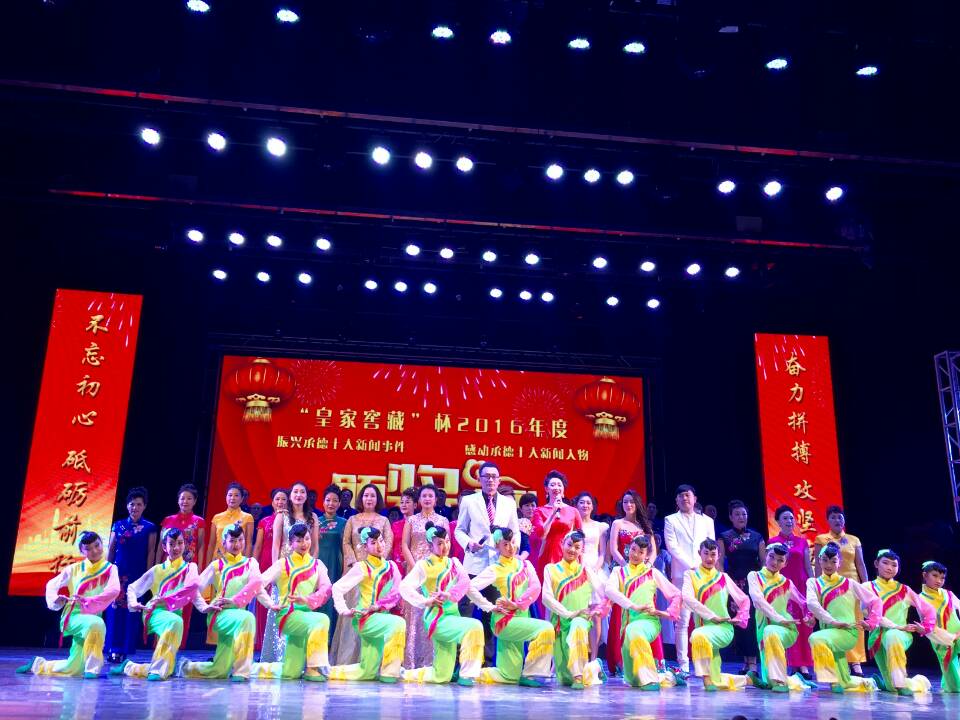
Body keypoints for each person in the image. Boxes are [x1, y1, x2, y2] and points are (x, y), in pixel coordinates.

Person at [16, 531, 120, 678]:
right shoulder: (74, 568)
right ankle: (92, 669)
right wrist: (55, 599)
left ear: (102, 544)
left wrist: (90, 600)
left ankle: (38, 664)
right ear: (82, 551)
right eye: (88, 549)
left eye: (97, 545)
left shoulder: (110, 568)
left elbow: (114, 590)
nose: (94, 551)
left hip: (91, 617)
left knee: (73, 669)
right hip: (73, 615)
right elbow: (52, 585)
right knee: (97, 624)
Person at [466, 527, 554, 687]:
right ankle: (531, 674)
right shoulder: (495, 569)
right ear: (497, 546)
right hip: (504, 621)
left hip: (521, 617)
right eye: (505, 544)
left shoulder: (525, 565)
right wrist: (489, 607)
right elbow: (469, 587)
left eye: (512, 542)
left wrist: (517, 604)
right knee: (546, 629)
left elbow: (535, 587)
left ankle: (471, 672)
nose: (511, 547)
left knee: (509, 676)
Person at [399, 522, 483, 686]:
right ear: (430, 545)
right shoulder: (424, 565)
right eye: (440, 543)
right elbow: (404, 587)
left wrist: (488, 606)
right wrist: (425, 601)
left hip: (453, 617)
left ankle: (406, 673)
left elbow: (466, 584)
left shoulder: (454, 563)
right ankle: (467, 675)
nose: (445, 546)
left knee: (442, 676)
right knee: (474, 627)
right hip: (437, 620)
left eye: (447, 542)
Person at [111, 528, 199, 680]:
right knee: (174, 622)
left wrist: (205, 607)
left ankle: (130, 666)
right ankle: (157, 670)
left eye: (180, 543)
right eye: (172, 544)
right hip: (155, 612)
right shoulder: (157, 570)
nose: (176, 548)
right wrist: (133, 603)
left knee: (168, 666)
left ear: (185, 545)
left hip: (174, 613)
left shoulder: (190, 568)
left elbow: (192, 589)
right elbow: (132, 588)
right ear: (164, 547)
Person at [454, 461, 520, 661]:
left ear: (499, 480)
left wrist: (512, 548)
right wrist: (469, 544)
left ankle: (488, 663)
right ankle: (460, 661)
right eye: (486, 476)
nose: (490, 480)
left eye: (494, 476)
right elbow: (459, 530)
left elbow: (515, 531)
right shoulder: (469, 501)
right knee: (465, 613)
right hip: (474, 564)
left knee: (492, 614)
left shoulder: (509, 503)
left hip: (497, 567)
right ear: (479, 479)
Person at [252, 522, 333, 681]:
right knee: (322, 620)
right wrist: (269, 603)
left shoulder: (317, 565)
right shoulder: (282, 564)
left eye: (307, 539)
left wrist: (307, 599)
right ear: (290, 543)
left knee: (291, 672)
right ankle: (313, 669)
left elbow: (327, 589)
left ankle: (249, 668)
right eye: (299, 540)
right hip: (288, 615)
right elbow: (257, 583)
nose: (304, 544)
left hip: (306, 617)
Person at [181, 523, 262, 681]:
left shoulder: (251, 563)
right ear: (224, 543)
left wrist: (271, 605)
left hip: (237, 617)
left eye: (240, 540)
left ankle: (187, 668)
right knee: (248, 618)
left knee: (219, 670)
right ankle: (241, 671)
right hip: (220, 615)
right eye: (232, 541)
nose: (237, 544)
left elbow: (256, 585)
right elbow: (193, 588)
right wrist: (204, 607)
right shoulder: (216, 565)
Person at [605, 535, 683, 690]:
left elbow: (676, 594)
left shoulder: (652, 573)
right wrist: (633, 606)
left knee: (635, 631)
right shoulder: (618, 572)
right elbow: (609, 590)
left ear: (647, 556)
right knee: (633, 679)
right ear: (628, 549)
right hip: (626, 627)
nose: (635, 554)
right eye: (633, 549)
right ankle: (670, 677)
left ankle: (650, 680)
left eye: (641, 552)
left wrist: (664, 613)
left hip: (648, 622)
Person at [328, 527, 406, 682]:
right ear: (365, 547)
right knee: (398, 624)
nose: (379, 546)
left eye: (381, 541)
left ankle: (327, 671)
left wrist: (379, 606)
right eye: (373, 543)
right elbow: (337, 587)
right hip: (365, 618)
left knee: (367, 672)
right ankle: (390, 673)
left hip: (381, 616)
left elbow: (397, 592)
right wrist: (343, 610)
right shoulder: (362, 567)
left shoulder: (391, 566)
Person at [805, 542, 881, 693]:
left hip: (848, 632)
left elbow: (875, 601)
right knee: (845, 682)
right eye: (825, 560)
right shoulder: (813, 582)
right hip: (829, 631)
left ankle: (831, 680)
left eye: (833, 561)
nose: (829, 565)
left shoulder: (850, 583)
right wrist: (819, 618)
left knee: (816, 639)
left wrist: (872, 622)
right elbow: (812, 603)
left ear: (839, 563)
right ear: (819, 560)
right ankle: (864, 683)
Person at [332, 484, 394, 665]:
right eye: (366, 495)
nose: (369, 499)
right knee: (354, 611)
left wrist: (378, 562)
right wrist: (353, 562)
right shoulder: (352, 519)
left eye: (372, 496)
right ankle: (348, 660)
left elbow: (388, 542)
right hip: (355, 570)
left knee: (373, 610)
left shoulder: (384, 521)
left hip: (376, 574)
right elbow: (346, 542)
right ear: (361, 498)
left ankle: (373, 659)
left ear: (377, 499)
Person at [541, 530, 609, 689]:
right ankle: (594, 668)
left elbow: (605, 594)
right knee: (565, 679)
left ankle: (579, 675)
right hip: (560, 625)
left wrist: (599, 610)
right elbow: (546, 597)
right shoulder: (550, 569)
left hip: (581, 620)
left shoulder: (586, 571)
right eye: (569, 545)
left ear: (582, 550)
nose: (572, 550)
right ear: (562, 544)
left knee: (577, 625)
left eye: (577, 547)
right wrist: (569, 614)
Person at [863, 548, 935, 696]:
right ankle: (917, 682)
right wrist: (894, 625)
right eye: (885, 563)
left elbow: (928, 609)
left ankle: (904, 683)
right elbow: (867, 613)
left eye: (894, 565)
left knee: (892, 636)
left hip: (900, 634)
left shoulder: (904, 590)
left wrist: (926, 627)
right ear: (876, 564)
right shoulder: (866, 587)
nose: (890, 568)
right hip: (877, 637)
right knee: (892, 687)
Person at [682, 539, 752, 691]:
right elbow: (687, 597)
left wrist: (739, 617)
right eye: (706, 553)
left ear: (719, 555)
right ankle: (747, 680)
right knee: (717, 680)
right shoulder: (691, 575)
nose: (709, 558)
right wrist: (711, 616)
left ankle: (706, 678)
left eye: (713, 554)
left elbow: (744, 599)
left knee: (698, 636)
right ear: (699, 553)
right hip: (705, 627)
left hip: (723, 628)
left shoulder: (723, 577)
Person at [746, 543, 817, 692]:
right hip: (764, 627)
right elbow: (758, 600)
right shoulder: (754, 576)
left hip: (786, 628)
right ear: (766, 555)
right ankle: (795, 679)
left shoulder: (786, 583)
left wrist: (809, 616)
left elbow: (803, 602)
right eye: (772, 557)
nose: (774, 562)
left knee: (771, 632)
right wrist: (778, 617)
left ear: (785, 563)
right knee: (768, 680)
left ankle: (781, 682)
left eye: (780, 560)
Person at [663, 484, 715, 675]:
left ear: (694, 499)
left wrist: (702, 566)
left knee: (705, 619)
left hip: (704, 576)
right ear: (676, 500)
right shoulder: (670, 520)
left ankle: (705, 663)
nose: (685, 498)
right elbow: (672, 546)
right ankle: (683, 664)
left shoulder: (707, 521)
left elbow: (711, 546)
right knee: (683, 621)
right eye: (681, 496)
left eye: (688, 495)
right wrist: (692, 565)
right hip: (682, 576)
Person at [813, 504, 870, 675]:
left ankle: (856, 661)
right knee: (834, 620)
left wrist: (867, 586)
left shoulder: (854, 540)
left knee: (855, 621)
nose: (837, 520)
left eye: (840, 517)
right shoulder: (821, 539)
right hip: (830, 585)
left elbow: (860, 564)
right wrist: (818, 586)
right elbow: (818, 564)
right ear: (827, 520)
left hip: (852, 586)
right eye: (833, 517)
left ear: (844, 520)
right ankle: (837, 659)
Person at [105, 486, 157, 664]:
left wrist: (147, 577)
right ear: (127, 505)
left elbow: (151, 553)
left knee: (131, 611)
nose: (135, 507)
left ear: (144, 506)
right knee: (114, 611)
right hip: (118, 573)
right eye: (132, 504)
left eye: (139, 504)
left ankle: (126, 650)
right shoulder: (118, 525)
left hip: (137, 575)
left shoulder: (149, 527)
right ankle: (113, 649)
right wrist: (107, 571)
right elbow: (111, 549)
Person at [607, 489, 657, 675]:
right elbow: (613, 549)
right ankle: (619, 660)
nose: (628, 505)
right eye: (625, 502)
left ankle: (645, 659)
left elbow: (653, 551)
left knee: (645, 611)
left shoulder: (645, 526)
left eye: (632, 502)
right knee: (620, 613)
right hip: (624, 574)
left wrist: (647, 567)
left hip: (644, 577)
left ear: (637, 504)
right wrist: (626, 568)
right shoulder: (617, 523)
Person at [401, 484, 450, 668]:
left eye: (431, 496)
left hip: (435, 573)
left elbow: (447, 545)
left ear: (435, 500)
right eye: (424, 496)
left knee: (432, 611)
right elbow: (405, 545)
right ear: (419, 500)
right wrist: (416, 568)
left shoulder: (443, 521)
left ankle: (431, 661)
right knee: (414, 613)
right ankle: (411, 662)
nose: (427, 499)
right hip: (415, 569)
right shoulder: (412, 520)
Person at [718, 500, 765, 674]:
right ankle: (745, 661)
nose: (741, 517)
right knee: (739, 621)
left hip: (753, 584)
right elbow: (719, 561)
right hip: (734, 585)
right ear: (731, 517)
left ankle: (753, 663)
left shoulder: (757, 537)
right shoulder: (724, 536)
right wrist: (723, 582)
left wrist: (763, 583)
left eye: (744, 514)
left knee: (751, 621)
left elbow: (763, 562)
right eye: (737, 514)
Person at [157, 482, 206, 649]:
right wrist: (158, 565)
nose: (185, 501)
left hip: (187, 569)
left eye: (189, 498)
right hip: (168, 569)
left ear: (195, 501)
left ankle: (179, 644)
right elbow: (160, 547)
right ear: (178, 500)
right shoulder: (168, 520)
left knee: (185, 606)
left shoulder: (199, 522)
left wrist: (199, 569)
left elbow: (200, 547)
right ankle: (161, 643)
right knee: (164, 603)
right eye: (182, 498)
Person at [767, 505, 813, 675]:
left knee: (803, 625)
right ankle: (789, 662)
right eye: (785, 518)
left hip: (801, 586)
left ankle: (804, 664)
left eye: (791, 518)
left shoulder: (802, 542)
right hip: (782, 588)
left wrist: (813, 585)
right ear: (778, 522)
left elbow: (808, 566)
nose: (789, 521)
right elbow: (769, 567)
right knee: (786, 622)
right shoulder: (772, 542)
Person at [531, 471, 583, 586]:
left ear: (563, 489)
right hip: (547, 553)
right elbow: (541, 535)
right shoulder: (539, 511)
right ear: (546, 489)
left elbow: (581, 539)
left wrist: (580, 561)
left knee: (566, 589)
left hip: (568, 553)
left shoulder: (573, 511)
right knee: (548, 588)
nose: (556, 487)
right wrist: (553, 512)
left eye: (559, 485)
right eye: (552, 485)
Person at [252, 488, 287, 654]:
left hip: (283, 563)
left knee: (278, 601)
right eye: (277, 499)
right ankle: (261, 644)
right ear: (272, 502)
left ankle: (278, 646)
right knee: (264, 601)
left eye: (283, 499)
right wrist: (253, 567)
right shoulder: (264, 521)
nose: (280, 502)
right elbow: (258, 546)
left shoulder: (291, 520)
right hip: (266, 561)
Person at [574, 492, 608, 661]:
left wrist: (594, 569)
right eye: (582, 502)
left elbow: (602, 553)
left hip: (594, 571)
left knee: (595, 616)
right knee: (579, 613)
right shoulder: (573, 526)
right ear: (576, 505)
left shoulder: (600, 527)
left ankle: (594, 658)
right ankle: (579, 656)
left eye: (588, 502)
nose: (585, 505)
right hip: (576, 571)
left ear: (593, 506)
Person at [919, 560, 960, 693]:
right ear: (925, 575)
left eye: (942, 578)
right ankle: (947, 683)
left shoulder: (948, 594)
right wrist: (948, 637)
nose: (939, 580)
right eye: (935, 576)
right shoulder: (921, 598)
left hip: (958, 632)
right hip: (940, 638)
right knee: (955, 687)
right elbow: (925, 623)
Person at [316, 485, 347, 644]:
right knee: (318, 598)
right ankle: (316, 637)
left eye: (335, 501)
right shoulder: (315, 521)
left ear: (339, 503)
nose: (331, 503)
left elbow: (345, 548)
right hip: (318, 565)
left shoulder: (344, 523)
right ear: (323, 502)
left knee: (331, 600)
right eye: (328, 500)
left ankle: (330, 640)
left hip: (335, 565)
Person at [206, 482, 254, 563]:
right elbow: (211, 544)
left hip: (237, 561)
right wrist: (208, 565)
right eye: (230, 495)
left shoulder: (248, 517)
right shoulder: (217, 517)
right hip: (218, 561)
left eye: (236, 495)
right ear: (226, 497)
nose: (232, 498)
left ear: (242, 499)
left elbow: (248, 544)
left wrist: (246, 564)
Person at [392, 487, 418, 573]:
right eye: (402, 502)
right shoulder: (395, 525)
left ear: (415, 505)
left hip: (414, 563)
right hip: (397, 564)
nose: (403, 505)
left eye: (407, 502)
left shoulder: (418, 525)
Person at [517, 492, 538, 564]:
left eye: (533, 505)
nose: (530, 508)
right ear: (521, 509)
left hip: (538, 560)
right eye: (527, 505)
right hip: (521, 560)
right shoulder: (516, 525)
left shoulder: (541, 525)